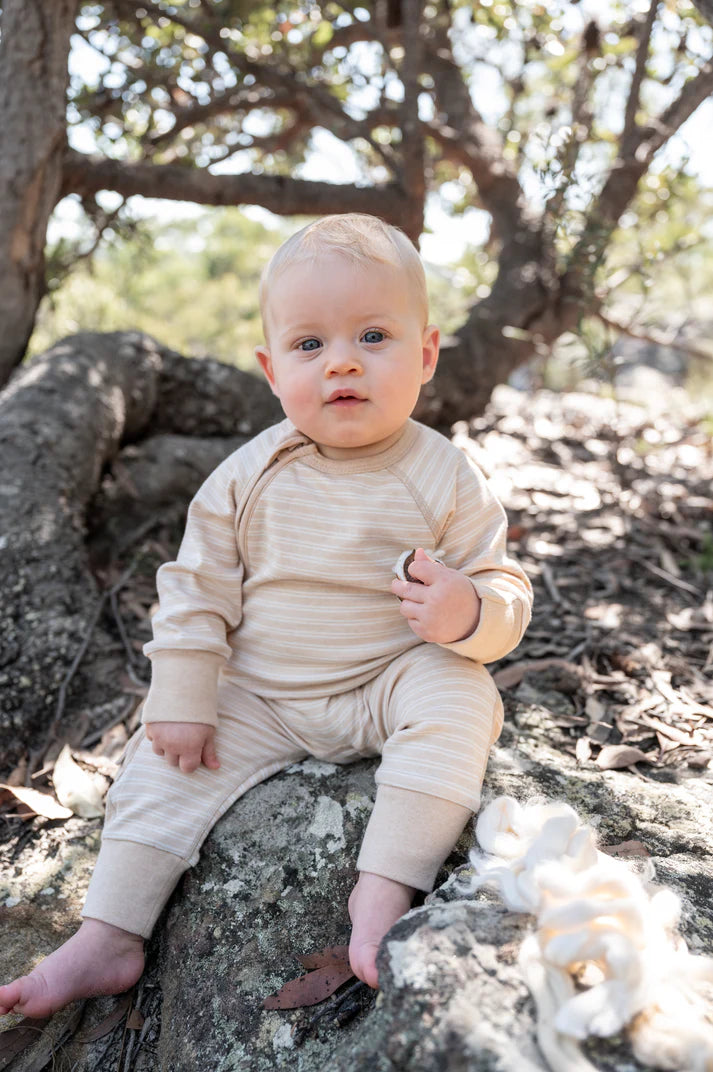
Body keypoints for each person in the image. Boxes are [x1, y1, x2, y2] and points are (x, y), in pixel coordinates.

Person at [0, 213, 532, 1018]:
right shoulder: (249, 475)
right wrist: (180, 695)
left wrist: (468, 612)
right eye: (309, 345)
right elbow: (195, 588)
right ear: (271, 370)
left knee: (461, 696)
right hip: (262, 695)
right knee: (160, 767)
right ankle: (106, 936)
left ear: (426, 354)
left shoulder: (444, 474)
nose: (342, 360)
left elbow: (503, 588)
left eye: (374, 336)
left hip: (385, 682)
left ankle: (383, 887)